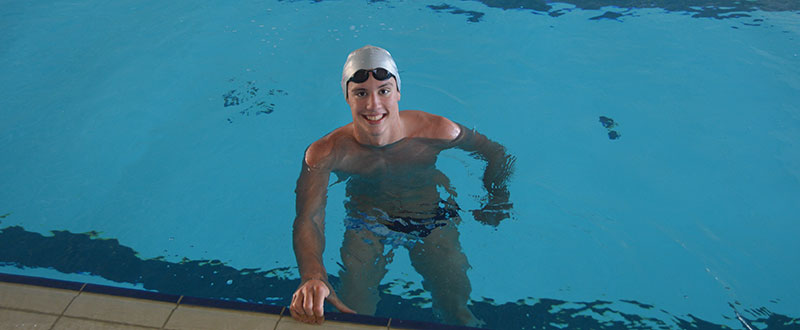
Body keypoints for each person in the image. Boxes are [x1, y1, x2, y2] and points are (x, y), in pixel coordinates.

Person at [290, 45, 514, 326]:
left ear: (398, 93)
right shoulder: (326, 153)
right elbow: (308, 217)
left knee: (456, 312)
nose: (373, 105)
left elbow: (495, 152)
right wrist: (313, 276)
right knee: (352, 316)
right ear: (347, 96)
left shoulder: (436, 131)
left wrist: (497, 197)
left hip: (431, 218)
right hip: (366, 222)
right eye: (361, 93)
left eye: (383, 90)